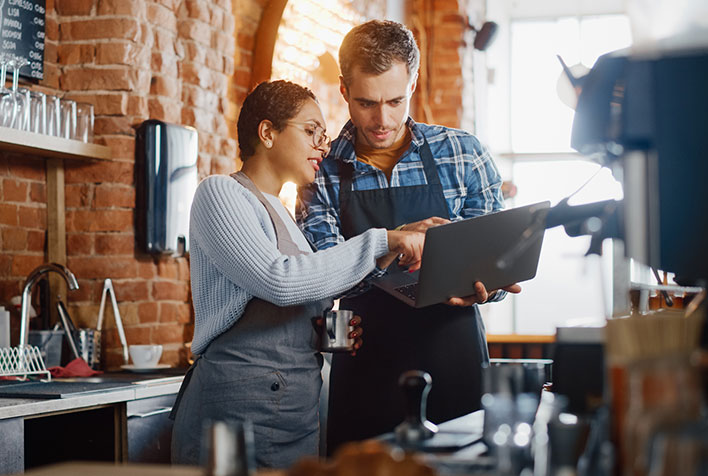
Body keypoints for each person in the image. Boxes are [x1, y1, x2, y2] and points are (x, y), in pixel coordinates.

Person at [170, 80, 425, 469]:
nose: (322, 145)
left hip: (295, 416)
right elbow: (280, 280)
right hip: (237, 413)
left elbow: (287, 300)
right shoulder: (219, 193)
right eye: (311, 132)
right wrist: (382, 241)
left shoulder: (285, 216)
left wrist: (321, 332)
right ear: (267, 132)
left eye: (323, 135)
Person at [297, 20, 521, 454]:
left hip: (454, 354)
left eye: (395, 100)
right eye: (366, 103)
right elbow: (321, 274)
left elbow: (496, 260)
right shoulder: (318, 170)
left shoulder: (463, 153)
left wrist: (488, 287)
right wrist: (393, 241)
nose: (382, 119)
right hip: (367, 363)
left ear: (413, 83)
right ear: (343, 90)